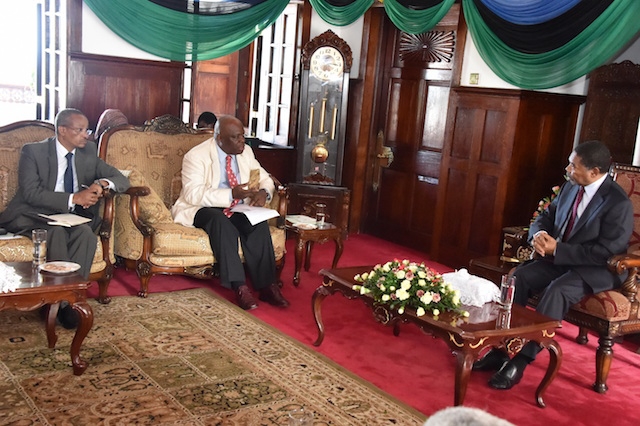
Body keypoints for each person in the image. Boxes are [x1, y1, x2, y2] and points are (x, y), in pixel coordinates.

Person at [474, 140, 634, 390]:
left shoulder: (617, 204)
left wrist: (558, 249)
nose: (568, 170)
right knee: (518, 279)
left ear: (594, 172)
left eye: (573, 166)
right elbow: (544, 217)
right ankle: (502, 349)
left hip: (597, 269)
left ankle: (523, 360)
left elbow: (606, 253)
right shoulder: (571, 188)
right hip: (561, 259)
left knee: (558, 291)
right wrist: (538, 235)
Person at [0, 108, 130, 327]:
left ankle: (72, 300)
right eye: (79, 130)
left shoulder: (88, 151)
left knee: (86, 235)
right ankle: (56, 302)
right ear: (62, 130)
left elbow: (121, 178)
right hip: (32, 213)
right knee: (57, 233)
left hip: (69, 217)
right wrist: (74, 198)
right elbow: (31, 193)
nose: (86, 135)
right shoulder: (33, 152)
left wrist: (101, 183)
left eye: (86, 129)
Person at [172, 115, 288, 310]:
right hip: (203, 207)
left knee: (257, 223)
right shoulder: (196, 156)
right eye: (235, 138)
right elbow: (193, 194)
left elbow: (265, 178)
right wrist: (230, 194)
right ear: (219, 139)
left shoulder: (246, 152)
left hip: (237, 206)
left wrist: (263, 192)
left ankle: (268, 286)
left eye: (242, 135)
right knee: (221, 224)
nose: (241, 141)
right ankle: (240, 286)